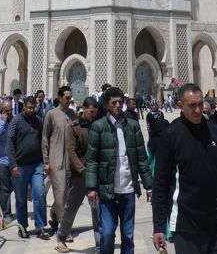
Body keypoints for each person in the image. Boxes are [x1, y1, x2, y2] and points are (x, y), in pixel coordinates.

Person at [152, 83, 217, 254]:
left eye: (200, 104)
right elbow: (160, 184)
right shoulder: (171, 136)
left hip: (216, 221)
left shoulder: (213, 131)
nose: (197, 110)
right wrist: (158, 226)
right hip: (186, 224)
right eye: (192, 106)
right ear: (180, 106)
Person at [86, 86, 153, 254]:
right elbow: (92, 160)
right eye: (114, 102)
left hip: (128, 189)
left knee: (128, 234)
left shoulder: (132, 125)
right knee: (107, 233)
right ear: (107, 105)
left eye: (120, 102)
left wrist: (148, 185)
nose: (117, 105)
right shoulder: (98, 126)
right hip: (107, 190)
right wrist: (92, 187)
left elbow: (141, 158)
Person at [54, 96, 100, 253]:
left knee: (97, 209)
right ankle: (61, 236)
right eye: (91, 112)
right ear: (84, 109)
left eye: (95, 112)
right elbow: (71, 153)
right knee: (71, 208)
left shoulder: (99, 125)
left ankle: (100, 244)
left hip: (95, 174)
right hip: (79, 175)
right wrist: (83, 171)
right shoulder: (73, 127)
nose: (93, 115)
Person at [7, 95, 49, 239]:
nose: (31, 110)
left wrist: (45, 161)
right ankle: (22, 226)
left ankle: (41, 226)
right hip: (20, 166)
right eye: (28, 108)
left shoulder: (38, 120)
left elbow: (43, 140)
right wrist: (13, 164)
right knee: (20, 198)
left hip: (36, 164)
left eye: (33, 108)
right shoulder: (16, 121)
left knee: (39, 194)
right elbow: (10, 143)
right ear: (23, 107)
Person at [42, 84, 77, 234]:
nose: (69, 100)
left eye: (70, 97)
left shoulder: (73, 115)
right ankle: (64, 229)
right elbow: (44, 137)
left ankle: (55, 216)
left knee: (66, 195)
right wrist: (46, 160)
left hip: (70, 159)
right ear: (60, 98)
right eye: (67, 98)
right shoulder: (51, 114)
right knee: (60, 191)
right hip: (56, 158)